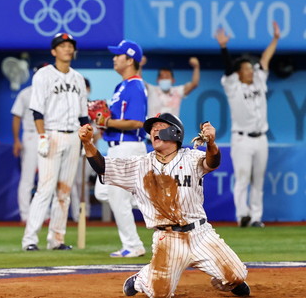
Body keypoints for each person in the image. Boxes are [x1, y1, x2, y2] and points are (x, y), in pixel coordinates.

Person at [78, 113, 251, 298]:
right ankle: (142, 278)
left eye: (159, 127)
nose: (153, 131)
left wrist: (211, 143)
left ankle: (229, 279)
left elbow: (212, 162)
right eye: (151, 129)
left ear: (175, 132)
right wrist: (88, 144)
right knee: (160, 294)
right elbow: (103, 167)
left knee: (238, 275)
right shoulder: (140, 165)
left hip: (200, 234)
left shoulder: (191, 158)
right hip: (167, 239)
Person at [21, 33, 89, 251]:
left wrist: (86, 138)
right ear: (54, 51)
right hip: (51, 133)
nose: (68, 49)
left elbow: (83, 116)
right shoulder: (43, 75)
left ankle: (56, 239)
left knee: (64, 191)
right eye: (63, 46)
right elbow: (37, 110)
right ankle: (30, 239)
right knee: (45, 189)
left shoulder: (78, 78)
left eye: (70, 46)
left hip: (73, 136)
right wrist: (42, 136)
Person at [216, 21, 280, 228]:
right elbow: (227, 69)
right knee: (242, 178)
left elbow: (265, 59)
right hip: (241, 138)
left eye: (250, 68)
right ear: (238, 73)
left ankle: (256, 217)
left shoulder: (260, 80)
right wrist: (224, 47)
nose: (250, 71)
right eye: (246, 69)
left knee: (258, 180)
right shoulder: (232, 85)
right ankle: (242, 215)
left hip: (260, 137)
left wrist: (275, 39)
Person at [95, 39, 147, 258]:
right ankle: (145, 198)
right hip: (116, 148)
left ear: (130, 60)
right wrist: (102, 118)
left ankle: (133, 245)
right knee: (102, 191)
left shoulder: (135, 86)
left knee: (118, 197)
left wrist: (107, 122)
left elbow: (136, 122)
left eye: (119, 55)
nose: (114, 58)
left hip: (128, 147)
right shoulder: (121, 86)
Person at [11, 63, 48, 223]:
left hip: (49, 135)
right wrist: (16, 140)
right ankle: (25, 215)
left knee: (47, 177)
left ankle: (45, 214)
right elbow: (16, 117)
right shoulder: (26, 94)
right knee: (27, 177)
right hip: (31, 136)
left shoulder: (54, 94)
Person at [69, 78, 99, 222]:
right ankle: (77, 215)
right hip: (73, 148)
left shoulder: (93, 107)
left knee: (83, 182)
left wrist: (88, 143)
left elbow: (99, 132)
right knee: (73, 183)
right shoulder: (72, 107)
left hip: (88, 149)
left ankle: (85, 213)